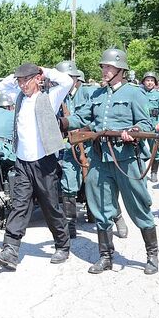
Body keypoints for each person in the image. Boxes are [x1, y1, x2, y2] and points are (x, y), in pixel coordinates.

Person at [72, 48, 159, 275]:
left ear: (121, 70)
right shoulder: (98, 94)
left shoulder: (134, 93)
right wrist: (62, 122)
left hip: (127, 159)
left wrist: (134, 130)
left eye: (109, 67)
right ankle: (106, 257)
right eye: (103, 66)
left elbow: (146, 124)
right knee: (101, 207)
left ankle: (152, 255)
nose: (104, 70)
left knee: (139, 205)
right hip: (100, 158)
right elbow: (83, 119)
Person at [0, 62, 73, 270]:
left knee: (50, 205)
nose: (22, 84)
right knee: (19, 205)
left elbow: (67, 81)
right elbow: (1, 86)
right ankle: (10, 250)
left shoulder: (49, 98)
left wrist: (45, 71)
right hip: (23, 161)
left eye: (26, 80)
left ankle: (62, 245)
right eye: (20, 81)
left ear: (37, 79)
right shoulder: (19, 97)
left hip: (44, 162)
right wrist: (17, 75)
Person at [54, 60, 94, 238]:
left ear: (74, 78)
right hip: (71, 147)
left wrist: (84, 130)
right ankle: (70, 224)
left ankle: (114, 216)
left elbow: (97, 119)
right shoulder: (60, 97)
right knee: (68, 183)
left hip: (91, 146)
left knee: (97, 183)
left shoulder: (89, 93)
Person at [141, 72, 159, 183]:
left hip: (154, 125)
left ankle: (153, 172)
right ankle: (140, 170)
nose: (150, 82)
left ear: (155, 82)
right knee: (138, 148)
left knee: (155, 151)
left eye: (152, 80)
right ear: (143, 82)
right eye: (147, 80)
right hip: (142, 125)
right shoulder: (139, 93)